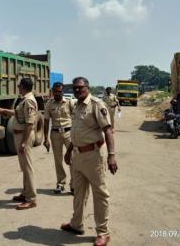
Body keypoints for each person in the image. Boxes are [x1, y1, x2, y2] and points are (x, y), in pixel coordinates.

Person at [60, 77, 117, 246]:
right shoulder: (76, 105)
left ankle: (103, 233)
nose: (77, 91)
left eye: (80, 88)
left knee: (100, 194)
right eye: (74, 88)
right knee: (79, 192)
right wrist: (69, 150)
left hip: (93, 156)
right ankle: (76, 224)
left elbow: (108, 131)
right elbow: (77, 132)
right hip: (77, 155)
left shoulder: (97, 104)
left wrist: (112, 154)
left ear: (87, 87)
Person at [0, 78, 38, 210]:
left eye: (19, 85)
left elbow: (30, 124)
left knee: (28, 168)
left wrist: (24, 142)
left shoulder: (29, 100)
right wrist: (4, 110)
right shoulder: (24, 99)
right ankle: (26, 193)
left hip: (23, 136)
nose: (18, 87)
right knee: (24, 168)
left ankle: (31, 199)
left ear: (24, 87)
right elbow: (19, 114)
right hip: (19, 135)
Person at [43, 82, 74, 194]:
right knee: (58, 160)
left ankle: (73, 185)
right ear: (52, 91)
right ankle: (60, 183)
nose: (57, 94)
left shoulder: (69, 102)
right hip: (55, 134)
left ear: (63, 91)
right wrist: (45, 139)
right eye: (55, 92)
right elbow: (46, 121)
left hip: (68, 133)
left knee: (72, 159)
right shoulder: (49, 104)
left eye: (59, 92)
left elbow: (75, 119)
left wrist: (76, 135)